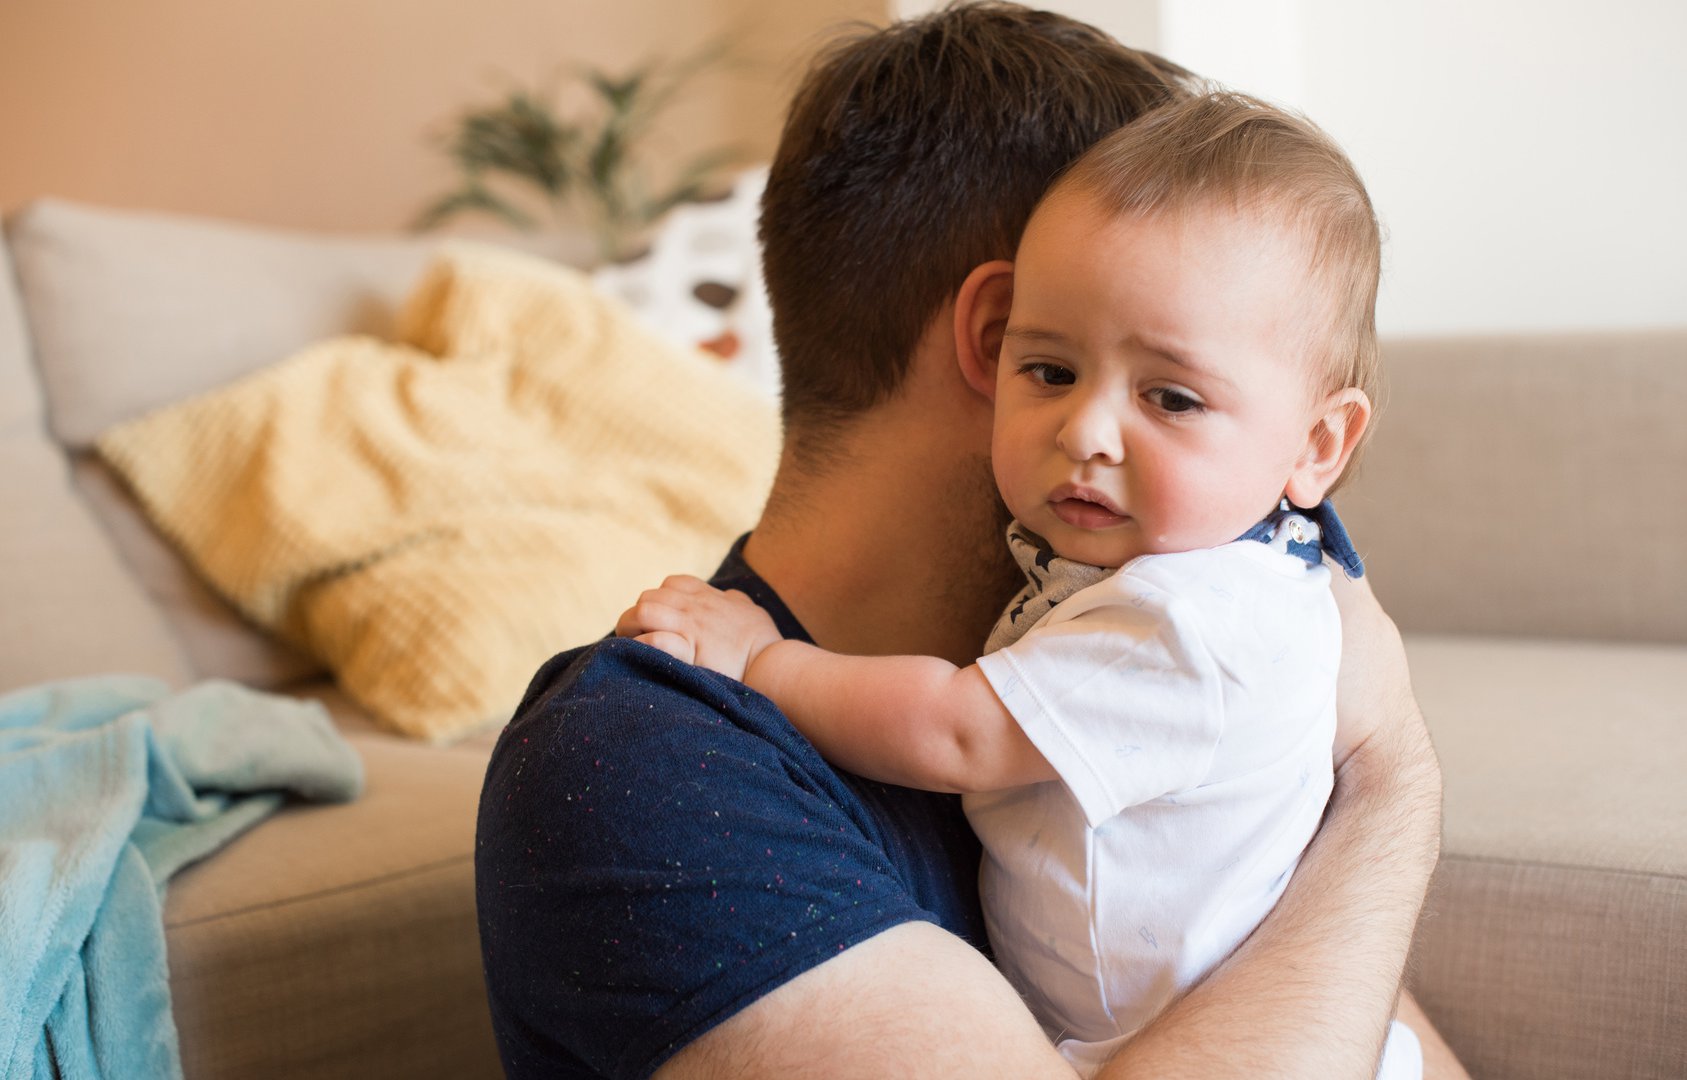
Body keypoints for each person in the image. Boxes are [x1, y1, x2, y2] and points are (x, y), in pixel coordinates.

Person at [475, 5, 1461, 1078]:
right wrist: (1390, 783)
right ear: (1002, 341)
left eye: (1179, 393)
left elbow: (1372, 1033)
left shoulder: (1176, 609)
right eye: (1074, 367)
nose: (1291, 537)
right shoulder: (654, 764)